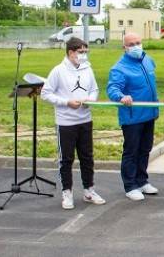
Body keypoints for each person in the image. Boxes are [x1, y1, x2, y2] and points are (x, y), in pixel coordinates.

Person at [41, 37, 106, 210]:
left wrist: (90, 100)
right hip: (66, 122)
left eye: (86, 52)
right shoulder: (58, 71)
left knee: (87, 157)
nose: (84, 55)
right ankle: (67, 192)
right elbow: (46, 94)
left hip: (85, 119)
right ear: (71, 53)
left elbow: (94, 90)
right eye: (81, 52)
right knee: (67, 158)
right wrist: (66, 102)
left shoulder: (87, 69)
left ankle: (89, 190)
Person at [107, 32, 159, 201]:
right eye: (132, 44)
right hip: (132, 117)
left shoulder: (147, 60)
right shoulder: (119, 68)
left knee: (145, 149)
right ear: (125, 47)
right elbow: (113, 88)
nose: (136, 46)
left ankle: (142, 181)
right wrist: (121, 96)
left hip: (149, 114)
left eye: (138, 42)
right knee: (131, 151)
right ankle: (130, 186)